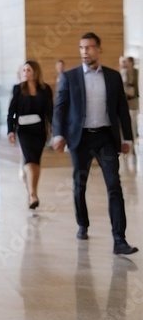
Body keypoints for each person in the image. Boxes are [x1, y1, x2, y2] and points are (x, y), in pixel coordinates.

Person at [52, 33, 137, 254]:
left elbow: (121, 110)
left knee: (114, 186)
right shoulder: (69, 77)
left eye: (89, 47)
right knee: (80, 185)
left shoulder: (113, 76)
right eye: (82, 47)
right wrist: (58, 135)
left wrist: (127, 138)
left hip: (105, 138)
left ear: (99, 49)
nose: (85, 51)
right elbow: (60, 108)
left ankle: (119, 239)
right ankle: (83, 224)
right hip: (80, 139)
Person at [6, 60, 53, 210]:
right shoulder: (18, 89)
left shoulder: (45, 89)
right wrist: (10, 131)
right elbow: (11, 112)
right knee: (30, 161)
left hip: (39, 130)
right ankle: (33, 195)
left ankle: (32, 193)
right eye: (24, 70)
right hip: (24, 131)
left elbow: (49, 111)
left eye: (28, 70)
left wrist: (54, 129)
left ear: (35, 72)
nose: (25, 72)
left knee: (36, 162)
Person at [120, 55, 139, 170]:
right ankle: (130, 146)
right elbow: (124, 85)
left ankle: (133, 144)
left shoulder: (136, 72)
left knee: (134, 125)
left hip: (134, 101)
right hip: (127, 102)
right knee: (128, 125)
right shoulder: (124, 73)